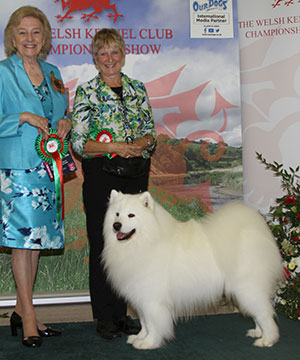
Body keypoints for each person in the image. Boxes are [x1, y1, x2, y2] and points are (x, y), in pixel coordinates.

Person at [71, 28, 156, 340]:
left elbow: (151, 132)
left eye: (114, 52)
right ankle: (104, 316)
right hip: (102, 179)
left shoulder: (138, 88)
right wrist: (114, 146)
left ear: (123, 54)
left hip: (135, 174)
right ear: (95, 59)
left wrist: (142, 143)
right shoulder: (86, 92)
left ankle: (122, 315)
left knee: (130, 246)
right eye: (102, 53)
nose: (109, 59)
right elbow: (79, 143)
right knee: (104, 245)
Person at [0, 6, 71, 347]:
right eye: (22, 32)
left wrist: (65, 123)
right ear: (12, 37)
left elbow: (61, 114)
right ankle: (28, 316)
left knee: (37, 240)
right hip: (17, 168)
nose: (29, 38)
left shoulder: (54, 72)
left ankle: (21, 308)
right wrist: (22, 117)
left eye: (36, 32)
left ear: (45, 37)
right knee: (21, 241)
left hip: (48, 169)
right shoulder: (2, 73)